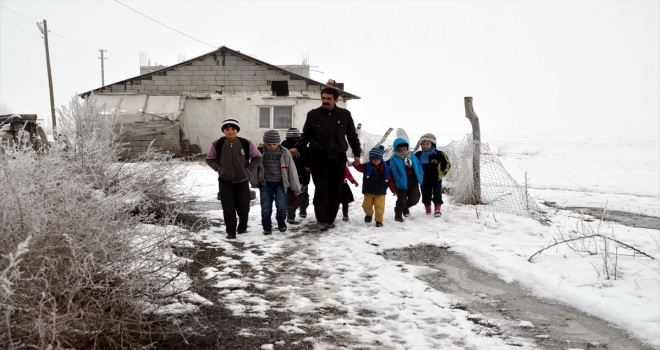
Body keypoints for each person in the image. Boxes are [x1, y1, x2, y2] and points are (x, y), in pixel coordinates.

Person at [289, 87, 361, 231]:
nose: (325, 101)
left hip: (338, 159)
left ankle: (330, 219)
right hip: (318, 158)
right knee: (322, 188)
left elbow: (352, 136)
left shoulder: (345, 115)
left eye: (328, 99)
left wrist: (357, 153)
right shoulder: (313, 115)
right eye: (323, 98)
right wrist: (297, 147)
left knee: (335, 189)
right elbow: (306, 135)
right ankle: (321, 219)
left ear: (336, 100)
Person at [205, 119, 262, 239]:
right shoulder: (217, 144)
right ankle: (231, 231)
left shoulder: (246, 143)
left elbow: (257, 157)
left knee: (243, 206)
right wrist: (219, 169)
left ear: (237, 130)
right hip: (225, 180)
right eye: (227, 129)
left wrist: (248, 170)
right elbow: (209, 159)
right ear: (223, 131)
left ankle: (243, 224)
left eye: (233, 129)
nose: (230, 132)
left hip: (242, 180)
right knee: (228, 206)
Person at [250, 130, 302, 235]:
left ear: (278, 142)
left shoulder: (285, 152)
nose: (272, 146)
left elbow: (292, 170)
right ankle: (267, 226)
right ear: (265, 143)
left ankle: (281, 221)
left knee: (282, 205)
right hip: (265, 184)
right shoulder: (260, 152)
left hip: (281, 184)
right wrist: (254, 181)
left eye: (274, 144)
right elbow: (255, 168)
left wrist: (296, 188)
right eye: (269, 144)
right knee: (266, 207)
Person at [354, 146, 396, 227]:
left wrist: (393, 189)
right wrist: (355, 164)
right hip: (369, 191)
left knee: (379, 207)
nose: (376, 161)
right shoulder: (367, 167)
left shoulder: (386, 168)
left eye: (378, 159)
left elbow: (390, 180)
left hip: (381, 192)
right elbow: (359, 168)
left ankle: (379, 220)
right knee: (366, 206)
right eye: (373, 159)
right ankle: (369, 214)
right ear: (370, 159)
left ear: (381, 159)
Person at [414, 133, 451, 217]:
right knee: (425, 194)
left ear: (432, 144)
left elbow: (447, 164)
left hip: (436, 179)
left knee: (437, 193)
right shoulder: (418, 155)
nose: (425, 146)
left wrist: (442, 173)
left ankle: (437, 209)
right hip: (424, 179)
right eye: (423, 144)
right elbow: (413, 165)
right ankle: (428, 209)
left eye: (427, 144)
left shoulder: (439, 154)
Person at [389, 138, 424, 222]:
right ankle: (398, 213)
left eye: (404, 149)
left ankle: (405, 207)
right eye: (400, 149)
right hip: (401, 182)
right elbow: (394, 170)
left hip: (413, 180)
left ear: (407, 148)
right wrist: (398, 179)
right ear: (396, 149)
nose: (402, 151)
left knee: (415, 199)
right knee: (402, 200)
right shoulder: (394, 158)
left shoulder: (412, 155)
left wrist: (421, 174)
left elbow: (418, 165)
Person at [281, 127, 311, 222]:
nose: (295, 141)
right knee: (290, 195)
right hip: (288, 176)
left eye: (296, 139)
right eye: (292, 139)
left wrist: (308, 166)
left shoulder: (304, 148)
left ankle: (303, 208)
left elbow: (310, 159)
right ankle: (290, 215)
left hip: (302, 176)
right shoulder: (283, 148)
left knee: (303, 194)